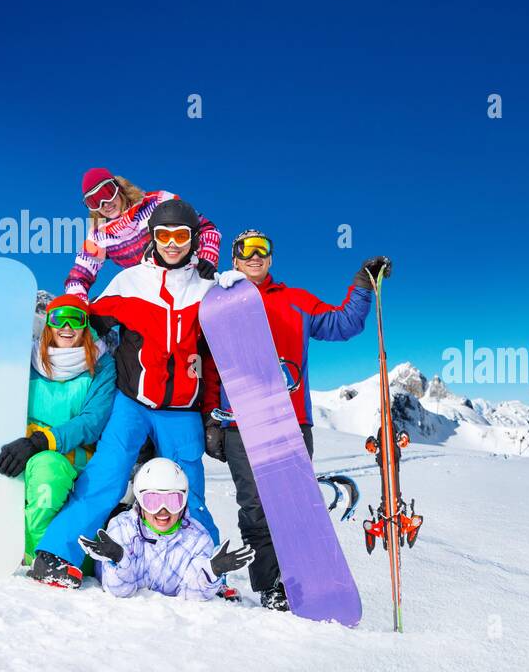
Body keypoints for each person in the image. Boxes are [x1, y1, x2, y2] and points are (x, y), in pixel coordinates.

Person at [29, 198, 240, 588]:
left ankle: (209, 573)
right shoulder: (129, 283)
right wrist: (45, 348)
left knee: (189, 495)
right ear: (152, 237)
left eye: (181, 235)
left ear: (194, 239)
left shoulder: (209, 289)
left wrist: (212, 414)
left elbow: (213, 360)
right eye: (164, 235)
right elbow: (83, 324)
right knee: (104, 479)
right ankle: (55, 556)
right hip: (132, 403)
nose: (172, 243)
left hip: (182, 411)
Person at [203, 228, 389, 611]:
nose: (255, 256)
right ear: (234, 259)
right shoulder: (220, 305)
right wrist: (212, 420)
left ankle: (304, 579)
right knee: (254, 507)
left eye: (262, 249)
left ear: (270, 258)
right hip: (240, 423)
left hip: (291, 421)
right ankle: (272, 585)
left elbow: (344, 325)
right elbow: (209, 367)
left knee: (294, 505)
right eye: (245, 250)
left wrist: (362, 286)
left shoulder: (295, 300)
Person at [0, 295, 117, 560]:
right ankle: (4, 543)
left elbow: (92, 421)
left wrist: (40, 443)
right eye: (57, 318)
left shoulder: (101, 366)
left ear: (86, 326)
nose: (66, 326)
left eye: (76, 319)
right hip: (19, 454)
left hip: (69, 460)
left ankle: (44, 556)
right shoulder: (25, 359)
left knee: (47, 471)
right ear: (48, 324)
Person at [78, 458, 253, 601]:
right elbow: (120, 591)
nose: (163, 510)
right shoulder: (123, 528)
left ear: (184, 502)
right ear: (139, 502)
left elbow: (192, 595)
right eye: (152, 501)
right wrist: (120, 558)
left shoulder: (197, 539)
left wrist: (211, 571)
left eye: (172, 501)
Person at [65, 167, 221, 297]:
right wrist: (77, 302)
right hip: (147, 294)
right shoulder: (99, 235)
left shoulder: (158, 203)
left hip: (184, 283)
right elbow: (79, 275)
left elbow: (207, 228)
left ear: (118, 187)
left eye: (107, 193)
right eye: (94, 201)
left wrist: (207, 257)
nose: (105, 204)